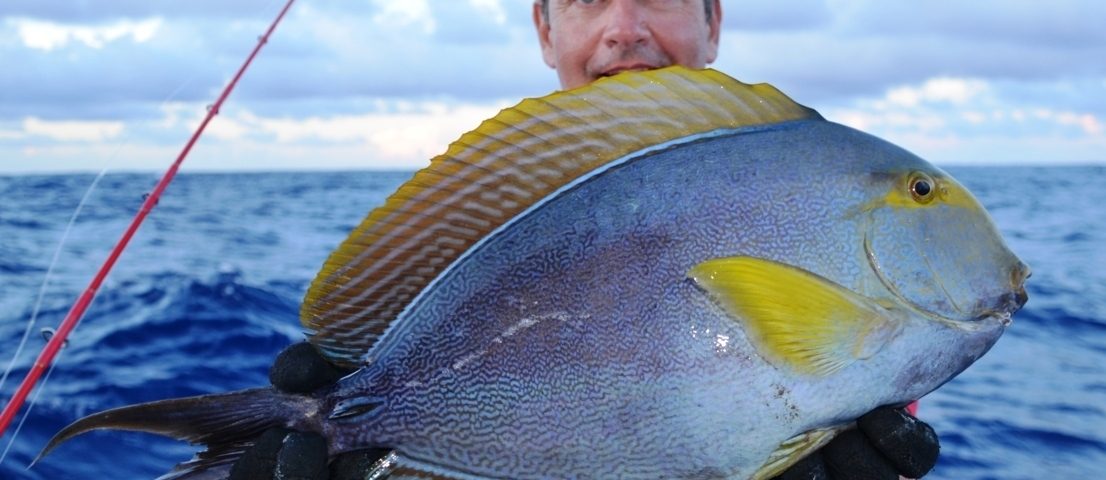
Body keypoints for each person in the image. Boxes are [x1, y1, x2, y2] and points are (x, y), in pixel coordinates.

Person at [231, 1, 940, 479]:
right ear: (545, 31)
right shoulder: (472, 218)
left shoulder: (812, 182)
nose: (624, 28)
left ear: (713, 19)